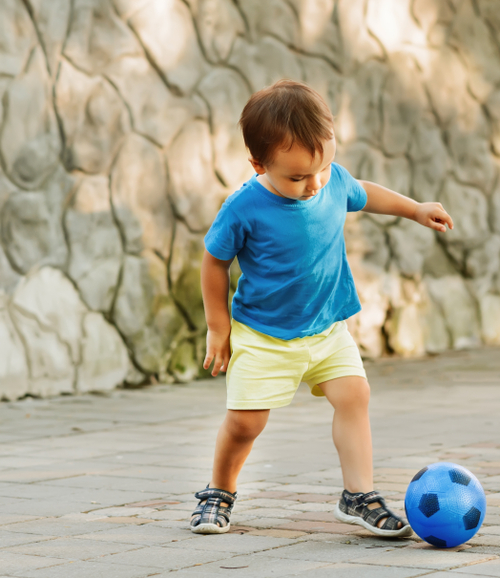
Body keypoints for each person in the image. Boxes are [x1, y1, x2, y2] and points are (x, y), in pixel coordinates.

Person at [188, 79, 454, 536]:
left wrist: (413, 209)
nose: (314, 185)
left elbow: (366, 193)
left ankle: (358, 495)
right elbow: (214, 261)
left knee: (354, 396)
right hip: (265, 334)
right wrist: (218, 327)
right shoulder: (244, 207)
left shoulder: (331, 181)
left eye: (323, 169)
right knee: (246, 423)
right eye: (297, 177)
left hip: (327, 329)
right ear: (259, 164)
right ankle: (219, 491)